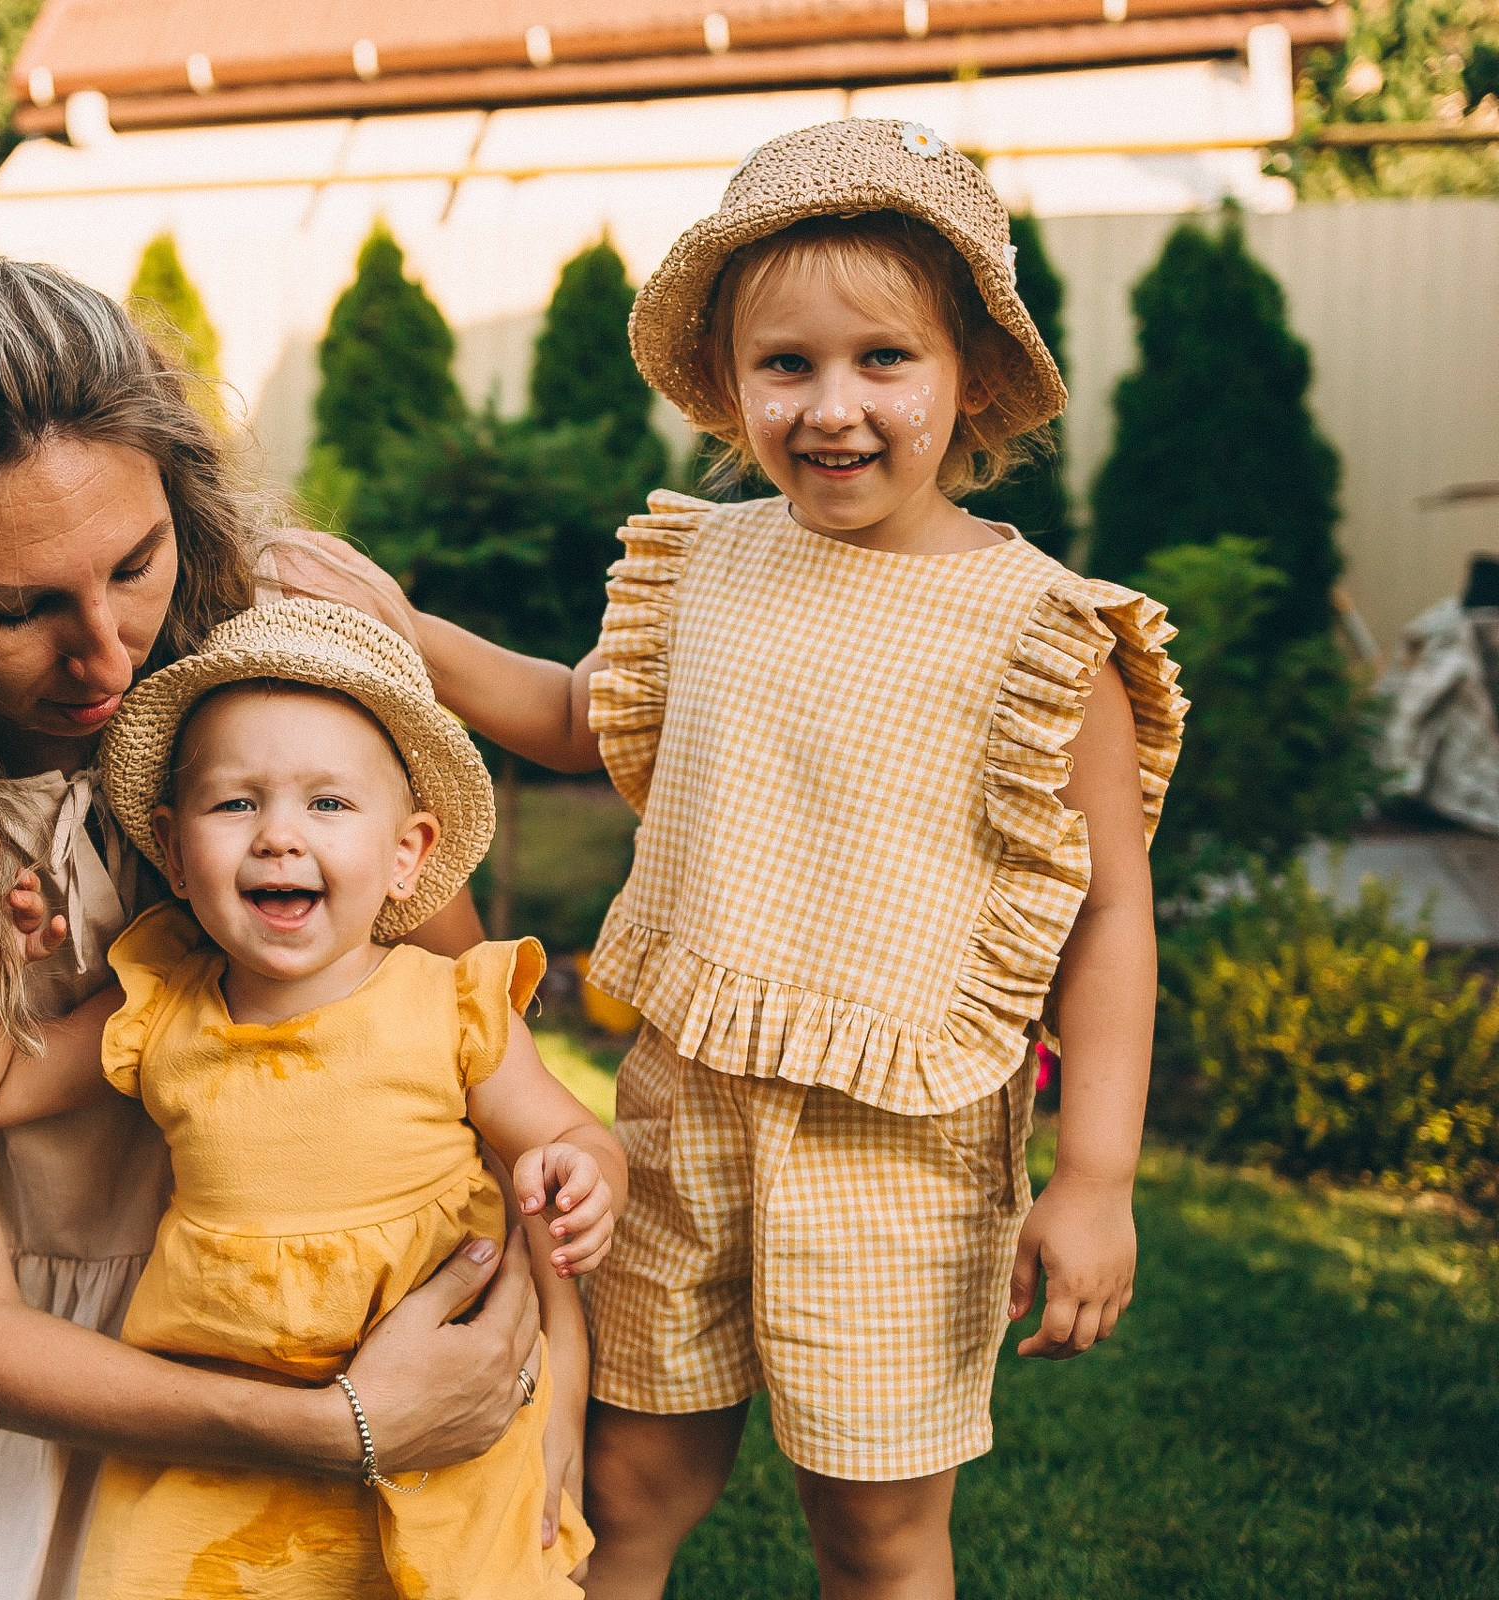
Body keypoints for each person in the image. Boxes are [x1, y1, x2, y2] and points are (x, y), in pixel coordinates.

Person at [293, 119, 1188, 1599]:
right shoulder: (709, 565)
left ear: (968, 377)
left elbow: (1108, 917)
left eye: (882, 361)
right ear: (733, 382)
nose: (832, 406)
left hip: (897, 1140)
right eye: (787, 366)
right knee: (632, 1480)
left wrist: (1094, 1175)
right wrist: (412, 632)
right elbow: (586, 718)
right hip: (682, 1105)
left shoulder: (1043, 633)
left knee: (877, 1527)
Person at [0, 254, 557, 1600]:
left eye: (134, 566)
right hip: (29, 1397)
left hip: (297, 1311)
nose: (108, 653)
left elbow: (438, 994)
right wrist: (342, 1431)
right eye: (18, 609)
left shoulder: (258, 683)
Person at [0, 599, 626, 1597]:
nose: (278, 836)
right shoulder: (162, 1002)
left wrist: (582, 1168)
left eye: (328, 804)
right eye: (237, 804)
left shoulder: (452, 1003)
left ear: (407, 851)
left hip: (441, 1415)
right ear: (176, 852)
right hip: (226, 1423)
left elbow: (570, 1130)